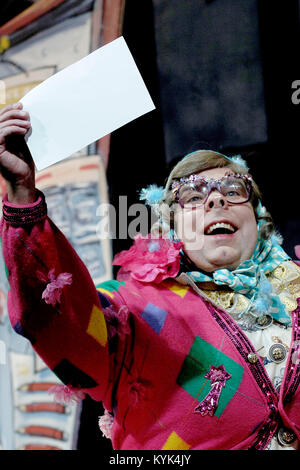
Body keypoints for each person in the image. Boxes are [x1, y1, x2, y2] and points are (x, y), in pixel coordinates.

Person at [0, 102, 300, 450]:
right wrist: (22, 196)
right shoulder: (136, 310)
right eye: (193, 196)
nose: (217, 201)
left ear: (258, 217)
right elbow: (60, 320)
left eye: (234, 191)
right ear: (171, 229)